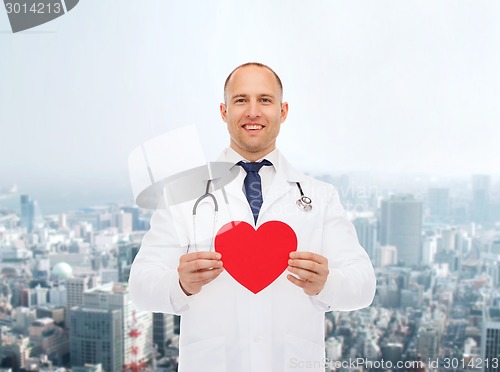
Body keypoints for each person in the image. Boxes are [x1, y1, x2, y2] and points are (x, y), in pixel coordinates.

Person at [129, 62, 376, 372]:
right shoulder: (184, 192)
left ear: (283, 111)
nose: (253, 111)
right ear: (224, 111)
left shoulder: (320, 196)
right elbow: (140, 285)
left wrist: (327, 284)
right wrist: (180, 284)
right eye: (241, 100)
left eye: (265, 100)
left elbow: (364, 285)